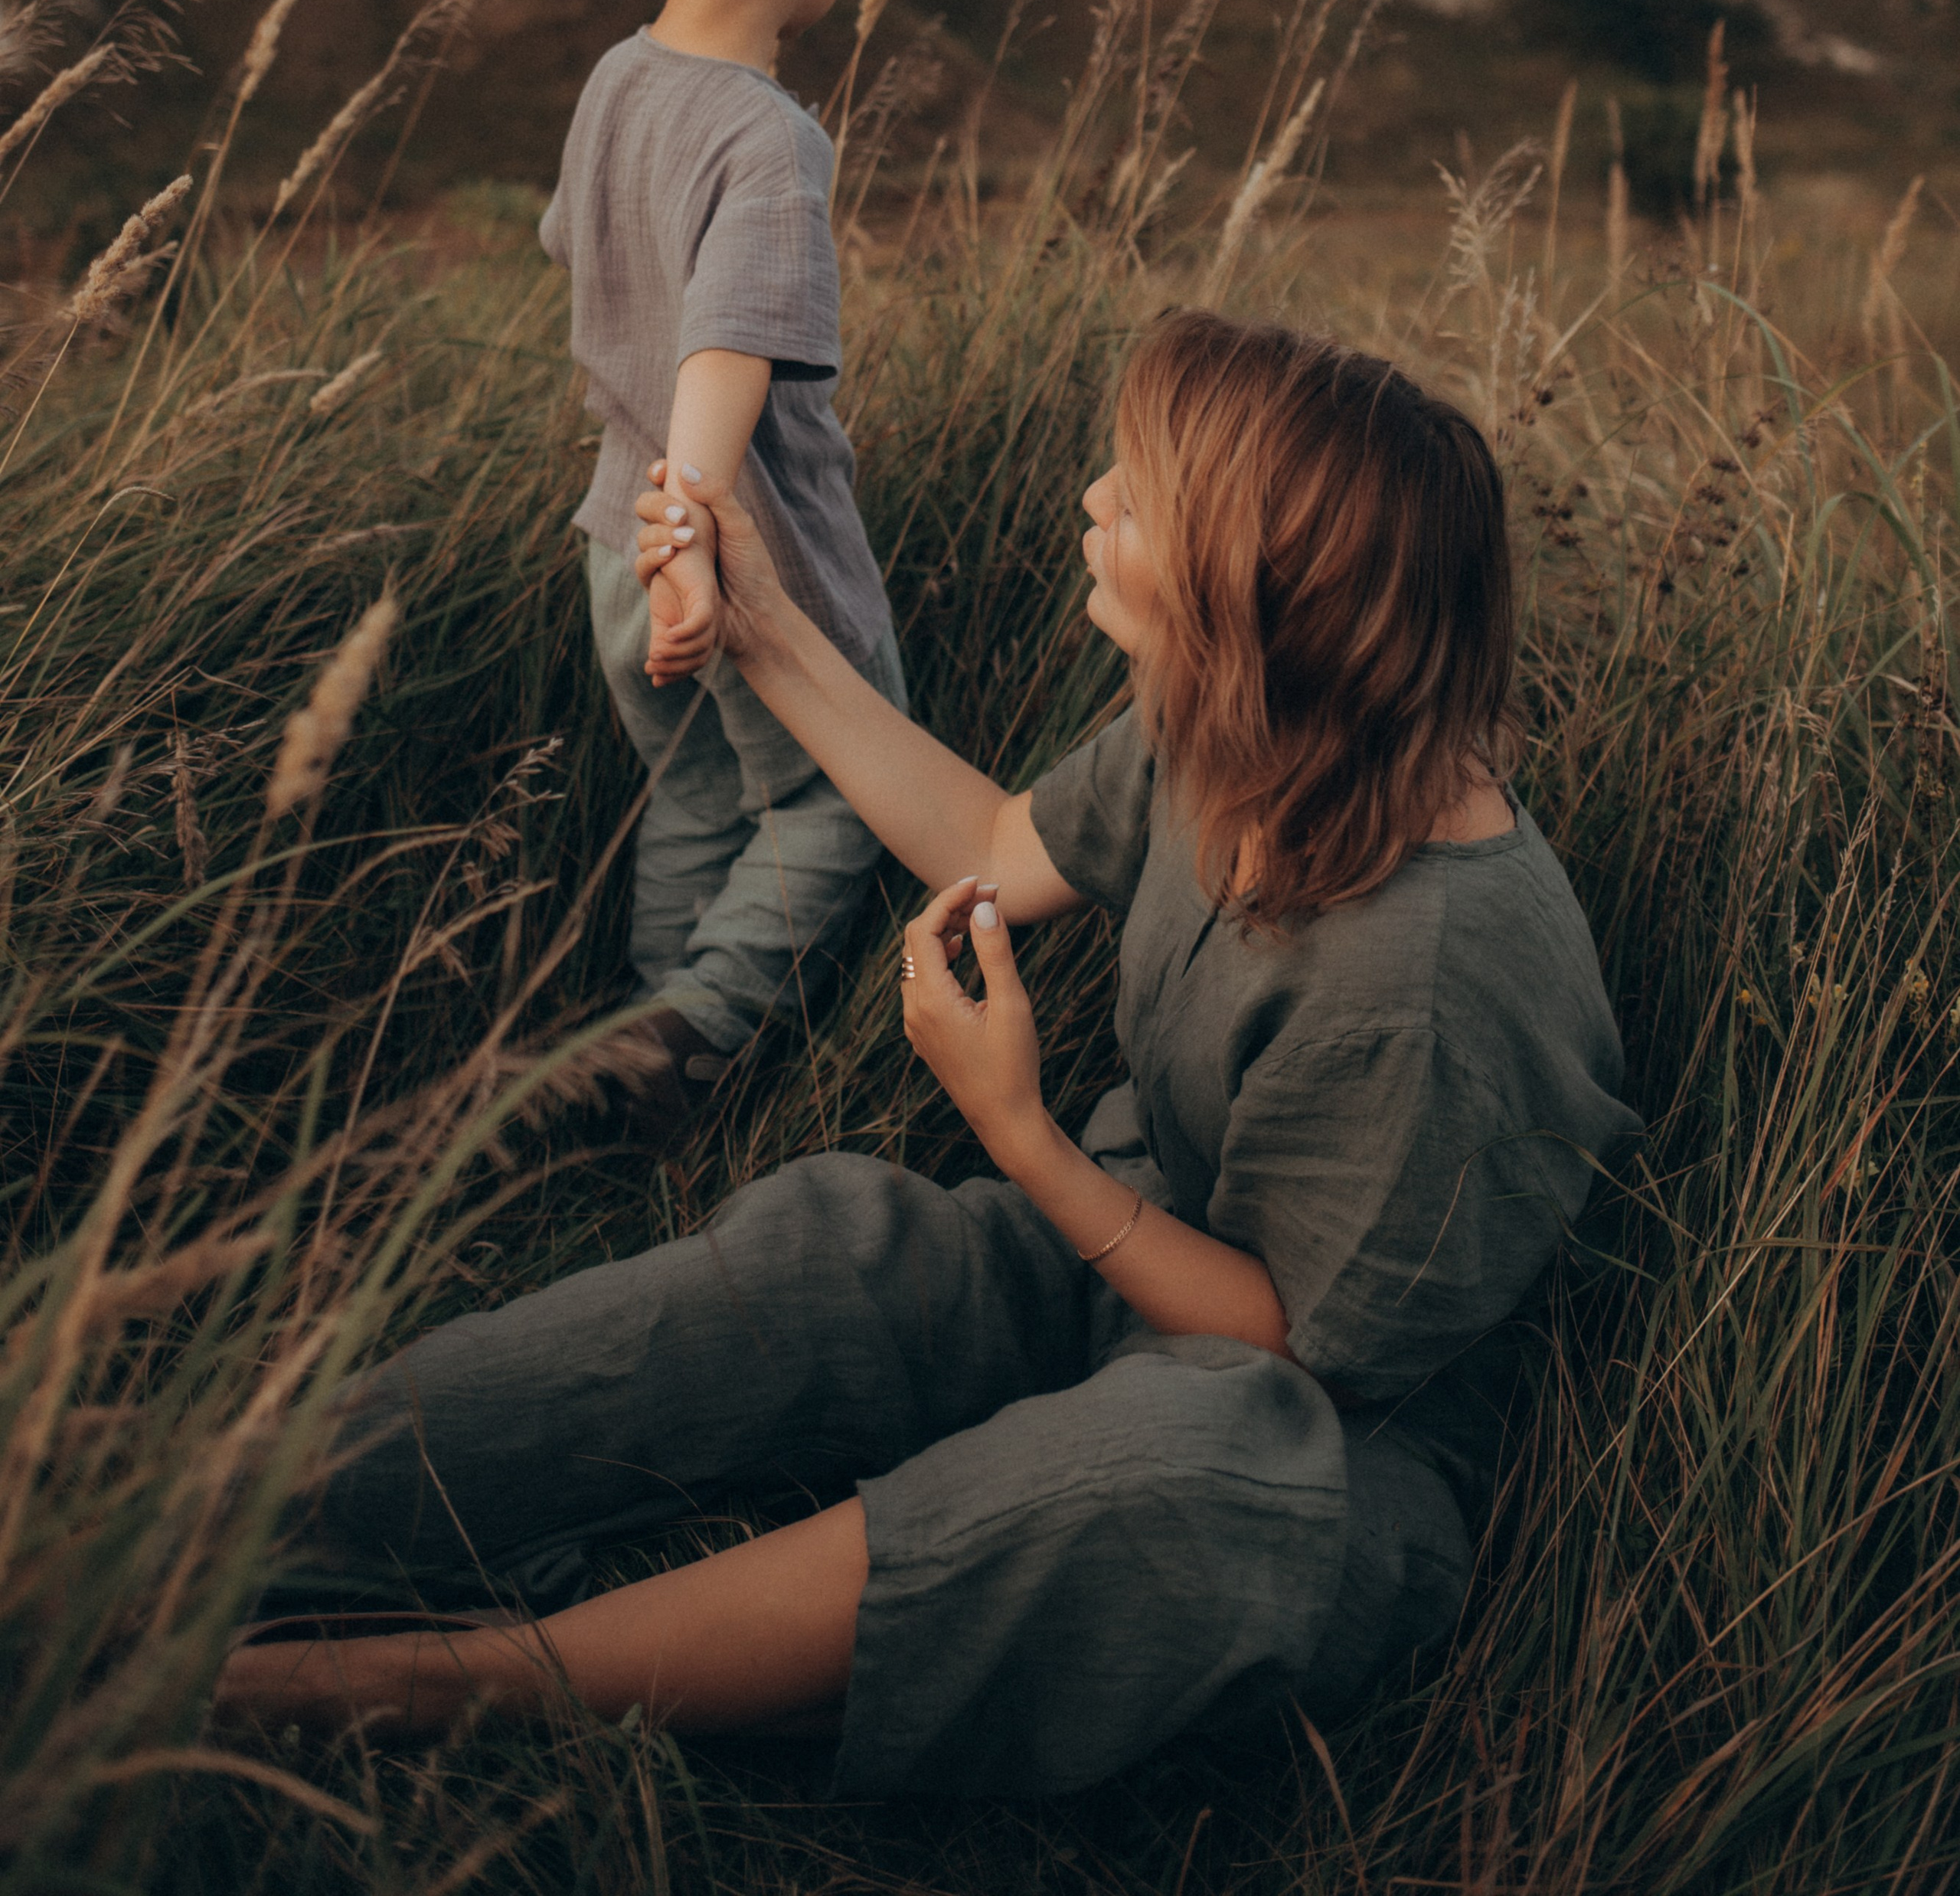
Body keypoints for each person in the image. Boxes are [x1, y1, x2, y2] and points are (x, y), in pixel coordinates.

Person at [217, 312, 1641, 1799]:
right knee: (835, 1254)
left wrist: (1020, 1135)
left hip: (1307, 1452)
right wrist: (763, 624)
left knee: (1155, 1465)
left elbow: (1280, 1349)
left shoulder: (1432, 985)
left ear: (1247, 586)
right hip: (1114, 1270)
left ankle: (445, 1689)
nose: (1095, 500)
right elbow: (989, 841)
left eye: (1139, 497)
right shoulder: (1240, 731)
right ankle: (229, 1525)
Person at [537, 0, 906, 1142]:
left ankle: (632, 1047)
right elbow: (725, 347)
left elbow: (582, 252)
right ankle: (698, 1031)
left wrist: (650, 538)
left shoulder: (615, 81)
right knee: (838, 802)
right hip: (740, 551)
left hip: (610, 545)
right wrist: (701, 538)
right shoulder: (769, 139)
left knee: (692, 799)